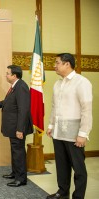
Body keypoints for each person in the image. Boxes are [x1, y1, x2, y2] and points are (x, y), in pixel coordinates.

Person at [46, 53, 92, 199]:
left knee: (78, 168)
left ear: (67, 64)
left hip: (74, 133)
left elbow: (86, 109)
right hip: (58, 132)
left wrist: (83, 133)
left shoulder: (82, 82)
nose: (54, 65)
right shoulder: (58, 83)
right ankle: (62, 192)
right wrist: (51, 125)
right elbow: (54, 106)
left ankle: (78, 196)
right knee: (61, 165)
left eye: (57, 63)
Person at [0, 65, 33, 187]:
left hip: (17, 127)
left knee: (18, 152)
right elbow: (9, 102)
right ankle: (15, 173)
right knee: (15, 151)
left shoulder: (21, 86)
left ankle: (21, 179)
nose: (5, 75)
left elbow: (23, 110)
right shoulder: (15, 86)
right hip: (13, 127)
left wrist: (20, 129)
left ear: (14, 75)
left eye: (7, 73)